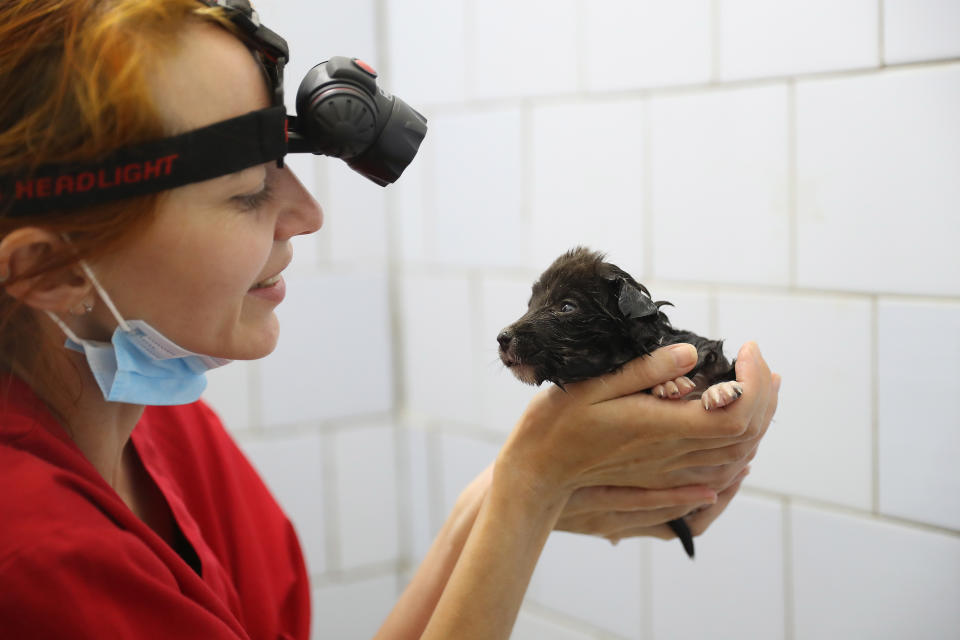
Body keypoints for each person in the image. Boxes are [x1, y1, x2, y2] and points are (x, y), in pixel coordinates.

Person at [0, 1, 781, 638]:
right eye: (245, 192)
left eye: (288, 164)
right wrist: (533, 485)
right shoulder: (33, 562)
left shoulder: (163, 428)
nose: (305, 214)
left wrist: (514, 493)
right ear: (49, 269)